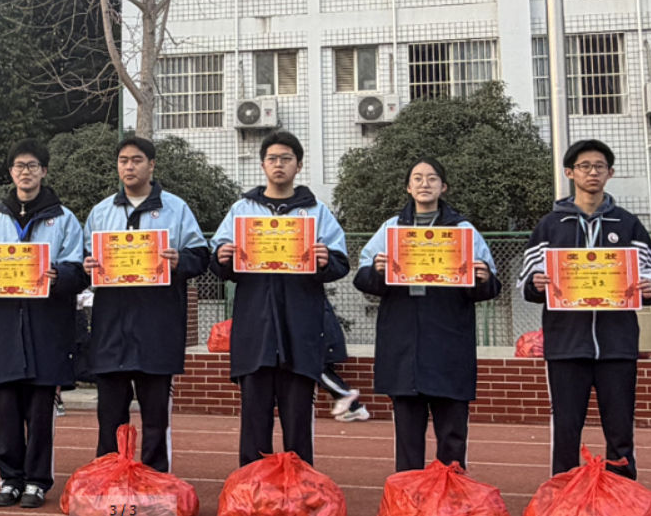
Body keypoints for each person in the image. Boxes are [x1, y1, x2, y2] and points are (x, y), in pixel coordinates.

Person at [519, 140, 651, 479]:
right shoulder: (550, 225)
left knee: (620, 428)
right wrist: (536, 284)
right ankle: (563, 492)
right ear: (570, 173)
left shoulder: (628, 224)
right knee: (566, 428)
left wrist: (650, 288)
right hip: (566, 344)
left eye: (599, 166)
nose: (592, 172)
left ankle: (623, 492)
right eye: (584, 166)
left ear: (610, 173)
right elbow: (526, 280)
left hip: (617, 344)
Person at [210, 131, 350, 467]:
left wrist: (325, 261)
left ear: (298, 165)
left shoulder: (317, 212)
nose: (279, 164)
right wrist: (222, 258)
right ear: (262, 165)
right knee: (254, 422)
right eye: (272, 158)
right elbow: (217, 260)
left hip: (300, 330)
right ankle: (251, 486)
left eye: (286, 158)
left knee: (298, 422)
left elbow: (340, 262)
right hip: (255, 331)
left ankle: (300, 485)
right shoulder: (241, 209)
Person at [353, 158, 501, 471]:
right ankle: (408, 492)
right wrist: (377, 271)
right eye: (417, 178)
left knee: (453, 436)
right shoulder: (391, 229)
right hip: (403, 345)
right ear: (408, 187)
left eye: (432, 178)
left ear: (443, 186)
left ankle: (452, 490)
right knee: (408, 438)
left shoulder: (464, 231)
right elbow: (362, 277)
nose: (424, 183)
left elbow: (490, 283)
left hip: (449, 344)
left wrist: (483, 278)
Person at [0, 139, 87, 508]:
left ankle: (36, 481)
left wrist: (58, 276)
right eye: (19, 166)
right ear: (10, 172)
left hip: (46, 325)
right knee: (5, 410)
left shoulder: (64, 218)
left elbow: (78, 268)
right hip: (5, 326)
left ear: (44, 171)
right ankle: (10, 479)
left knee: (40, 411)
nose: (25, 172)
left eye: (32, 166)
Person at [82, 136, 210, 473]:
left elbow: (201, 256)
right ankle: (108, 478)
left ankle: (156, 479)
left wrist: (179, 261)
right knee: (110, 418)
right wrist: (86, 266)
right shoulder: (101, 212)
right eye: (123, 160)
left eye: (137, 160)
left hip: (158, 329)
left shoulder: (176, 208)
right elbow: (84, 260)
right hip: (111, 331)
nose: (129, 166)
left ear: (151, 165)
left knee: (156, 420)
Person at [319, 301, 369, 423]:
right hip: (325, 344)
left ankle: (345, 395)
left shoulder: (316, 306)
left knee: (318, 372)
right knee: (324, 374)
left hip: (325, 344)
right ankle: (354, 408)